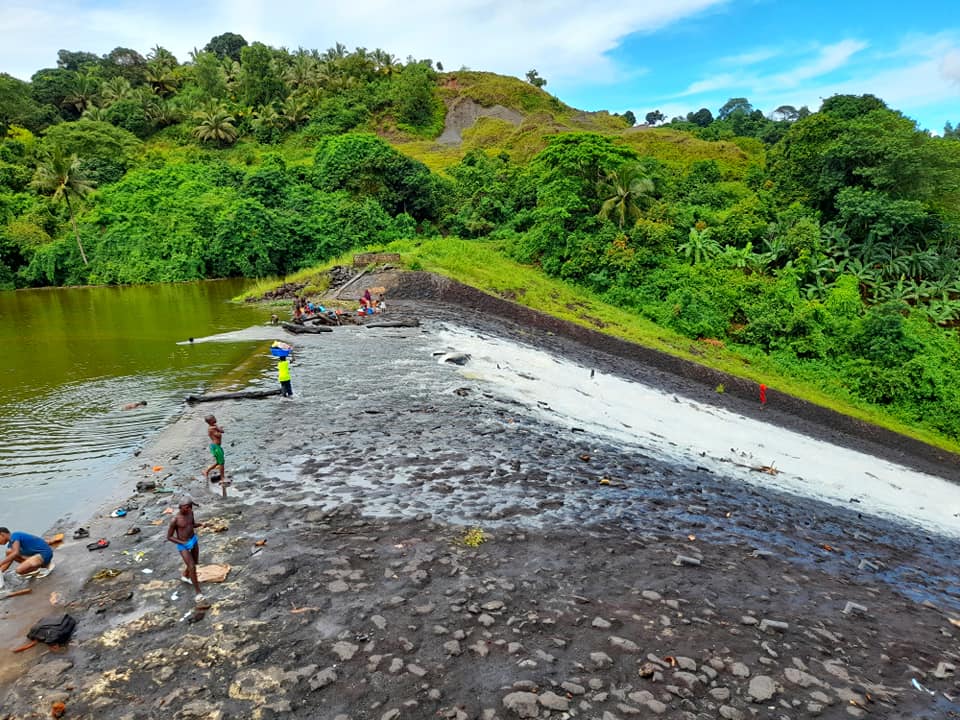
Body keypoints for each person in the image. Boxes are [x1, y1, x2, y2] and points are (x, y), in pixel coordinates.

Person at [166, 496, 204, 604]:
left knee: (195, 562)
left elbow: (192, 524)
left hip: (193, 540)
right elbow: (169, 537)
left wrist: (201, 524)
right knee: (192, 566)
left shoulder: (190, 513)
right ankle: (198, 592)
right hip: (183, 545)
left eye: (190, 507)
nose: (189, 509)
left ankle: (185, 576)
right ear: (181, 507)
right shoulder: (175, 520)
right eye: (187, 507)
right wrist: (183, 543)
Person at [203, 415, 226, 485]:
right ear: (210, 421)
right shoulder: (211, 429)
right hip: (216, 447)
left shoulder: (215, 426)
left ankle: (206, 471)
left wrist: (218, 428)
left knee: (218, 462)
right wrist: (218, 429)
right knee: (221, 463)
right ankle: (222, 478)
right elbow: (218, 435)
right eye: (213, 419)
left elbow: (222, 431)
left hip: (218, 446)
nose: (215, 419)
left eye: (214, 418)